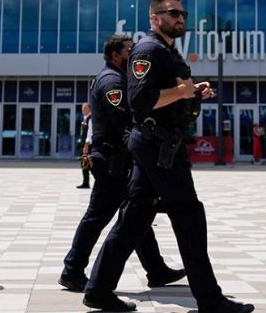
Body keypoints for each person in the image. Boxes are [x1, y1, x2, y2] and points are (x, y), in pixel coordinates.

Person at [84, 0, 253, 313]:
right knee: (188, 216)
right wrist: (182, 92)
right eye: (173, 13)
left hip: (160, 144)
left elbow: (169, 96)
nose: (180, 18)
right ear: (155, 18)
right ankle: (209, 300)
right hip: (157, 146)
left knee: (135, 217)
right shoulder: (147, 50)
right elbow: (140, 99)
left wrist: (191, 93)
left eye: (182, 13)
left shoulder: (165, 51)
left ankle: (98, 290)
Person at [60, 33, 184, 293]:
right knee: (98, 217)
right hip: (111, 162)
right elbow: (127, 119)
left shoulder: (120, 78)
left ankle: (156, 269)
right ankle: (72, 270)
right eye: (129, 49)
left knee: (136, 213)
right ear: (116, 55)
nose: (134, 53)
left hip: (120, 160)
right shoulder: (111, 82)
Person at [76, 103, 92, 189]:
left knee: (87, 165)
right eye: (82, 109)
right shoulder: (85, 119)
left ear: (89, 109)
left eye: (85, 109)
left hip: (88, 146)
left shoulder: (91, 119)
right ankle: (85, 183)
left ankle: (86, 183)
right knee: (84, 165)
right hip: (84, 145)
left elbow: (90, 134)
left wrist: (86, 145)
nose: (83, 111)